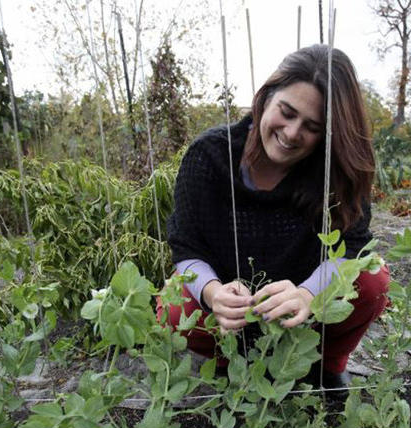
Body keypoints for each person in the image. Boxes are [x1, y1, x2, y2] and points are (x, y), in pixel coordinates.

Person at [158, 44, 390, 393]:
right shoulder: (210, 156)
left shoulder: (335, 171)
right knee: (171, 310)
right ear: (266, 97)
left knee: (373, 280)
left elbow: (352, 249)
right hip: (233, 296)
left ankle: (326, 364)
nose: (293, 132)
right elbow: (185, 244)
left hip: (301, 299)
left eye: (312, 126)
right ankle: (231, 363)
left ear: (329, 134)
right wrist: (212, 293)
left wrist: (309, 295)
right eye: (287, 111)